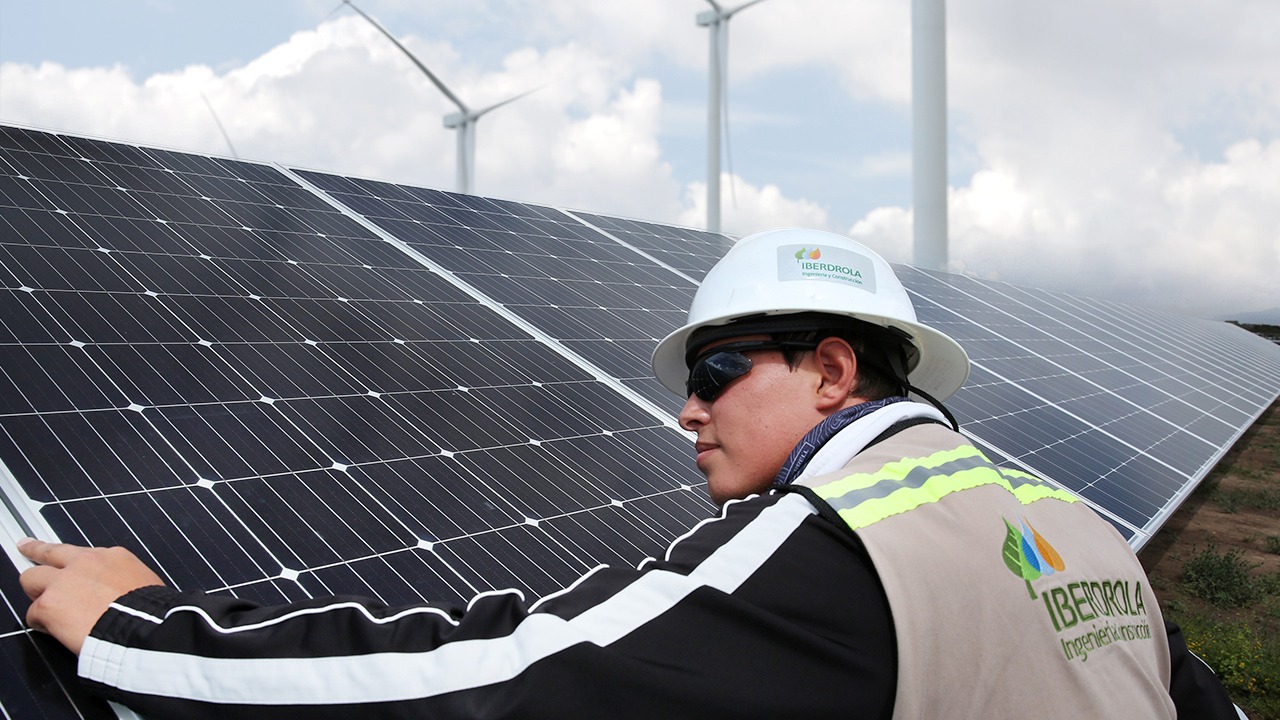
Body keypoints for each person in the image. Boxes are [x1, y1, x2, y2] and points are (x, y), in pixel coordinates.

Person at [19, 228, 1241, 718]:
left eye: (716, 370)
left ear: (828, 371)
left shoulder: (830, 544)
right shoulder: (1069, 522)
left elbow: (491, 678)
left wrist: (139, 630)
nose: (685, 410)